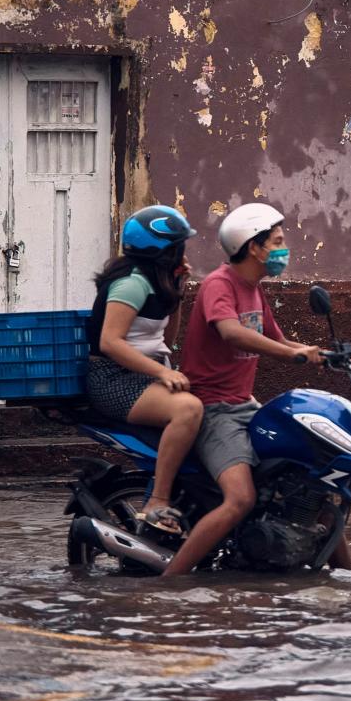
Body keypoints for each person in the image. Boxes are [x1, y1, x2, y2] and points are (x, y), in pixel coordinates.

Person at [163, 202, 347, 576]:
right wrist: (292, 356)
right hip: (213, 411)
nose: (284, 249)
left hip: (244, 405)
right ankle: (168, 583)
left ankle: (348, 577)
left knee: (313, 482)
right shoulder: (220, 284)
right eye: (277, 241)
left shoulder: (254, 289)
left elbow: (279, 339)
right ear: (254, 247)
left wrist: (324, 355)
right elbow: (231, 331)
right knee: (240, 498)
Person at [86, 205, 202, 536]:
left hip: (143, 376)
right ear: (164, 250)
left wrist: (178, 291)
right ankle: (157, 501)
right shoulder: (131, 284)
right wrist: (163, 373)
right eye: (180, 245)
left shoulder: (156, 282)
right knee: (188, 410)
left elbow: (166, 338)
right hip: (113, 379)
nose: (184, 251)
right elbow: (110, 342)